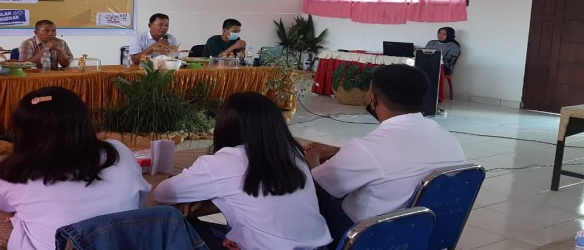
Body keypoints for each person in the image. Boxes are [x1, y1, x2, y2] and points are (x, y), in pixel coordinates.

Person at [304, 64, 466, 245]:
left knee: (309, 195)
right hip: (428, 231)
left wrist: (312, 156)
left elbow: (319, 184)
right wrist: (342, 153)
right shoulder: (445, 136)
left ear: (373, 98)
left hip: (371, 235)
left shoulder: (368, 148)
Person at [155, 92, 332, 250]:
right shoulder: (292, 152)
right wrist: (207, 193)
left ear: (226, 127)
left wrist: (199, 193)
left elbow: (163, 193)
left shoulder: (224, 161)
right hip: (320, 246)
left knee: (170, 227)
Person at [0, 87, 151, 250]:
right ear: (84, 121)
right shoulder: (118, 152)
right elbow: (140, 196)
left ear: (22, 132)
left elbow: (2, 204)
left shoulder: (11, 175)